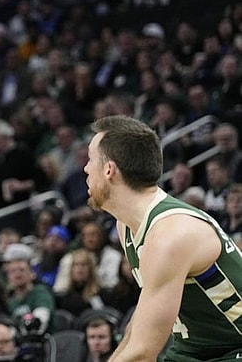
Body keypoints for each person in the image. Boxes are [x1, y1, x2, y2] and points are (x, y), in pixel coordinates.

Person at [85, 115, 242, 360]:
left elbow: (143, 351)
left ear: (109, 170)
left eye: (90, 159)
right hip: (195, 351)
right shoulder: (126, 225)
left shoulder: (170, 235)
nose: (85, 168)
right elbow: (139, 327)